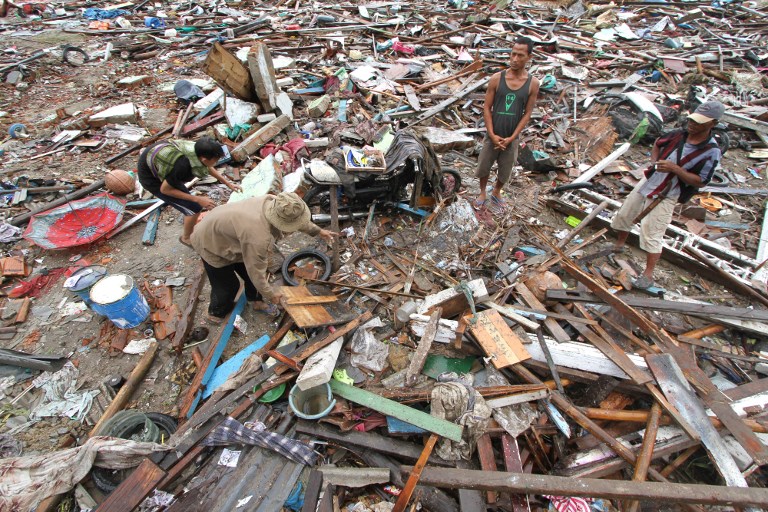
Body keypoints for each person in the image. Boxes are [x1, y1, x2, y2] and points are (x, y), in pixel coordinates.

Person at [611, 100, 724, 289]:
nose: (693, 125)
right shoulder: (680, 134)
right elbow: (658, 143)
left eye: (699, 123)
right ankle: (619, 244)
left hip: (669, 191)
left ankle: (648, 274)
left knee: (652, 231)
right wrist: (655, 163)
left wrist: (675, 169)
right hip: (650, 181)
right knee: (625, 213)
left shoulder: (711, 152)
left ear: (712, 124)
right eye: (692, 120)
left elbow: (700, 181)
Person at [190, 192, 338, 323]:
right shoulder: (258, 238)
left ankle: (256, 301)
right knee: (228, 286)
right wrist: (271, 294)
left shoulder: (276, 202)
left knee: (250, 275)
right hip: (210, 243)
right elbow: (256, 272)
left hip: (232, 235)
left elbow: (295, 219)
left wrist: (319, 231)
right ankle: (216, 312)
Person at [137, 137, 242, 246]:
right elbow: (165, 190)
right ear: (204, 159)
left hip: (162, 166)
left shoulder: (197, 151)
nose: (216, 163)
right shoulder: (182, 166)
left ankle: (190, 227)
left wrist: (228, 183)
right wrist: (198, 199)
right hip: (151, 179)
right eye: (215, 160)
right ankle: (186, 238)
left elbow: (207, 166)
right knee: (193, 208)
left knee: (192, 202)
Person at [475, 36, 540, 209]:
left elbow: (527, 113)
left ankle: (496, 192)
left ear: (529, 58)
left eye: (520, 55)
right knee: (484, 165)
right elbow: (487, 107)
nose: (515, 59)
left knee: (506, 168)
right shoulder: (497, 78)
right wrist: (491, 134)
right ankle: (482, 192)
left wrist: (512, 137)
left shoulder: (532, 84)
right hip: (493, 133)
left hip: (512, 135)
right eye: (513, 54)